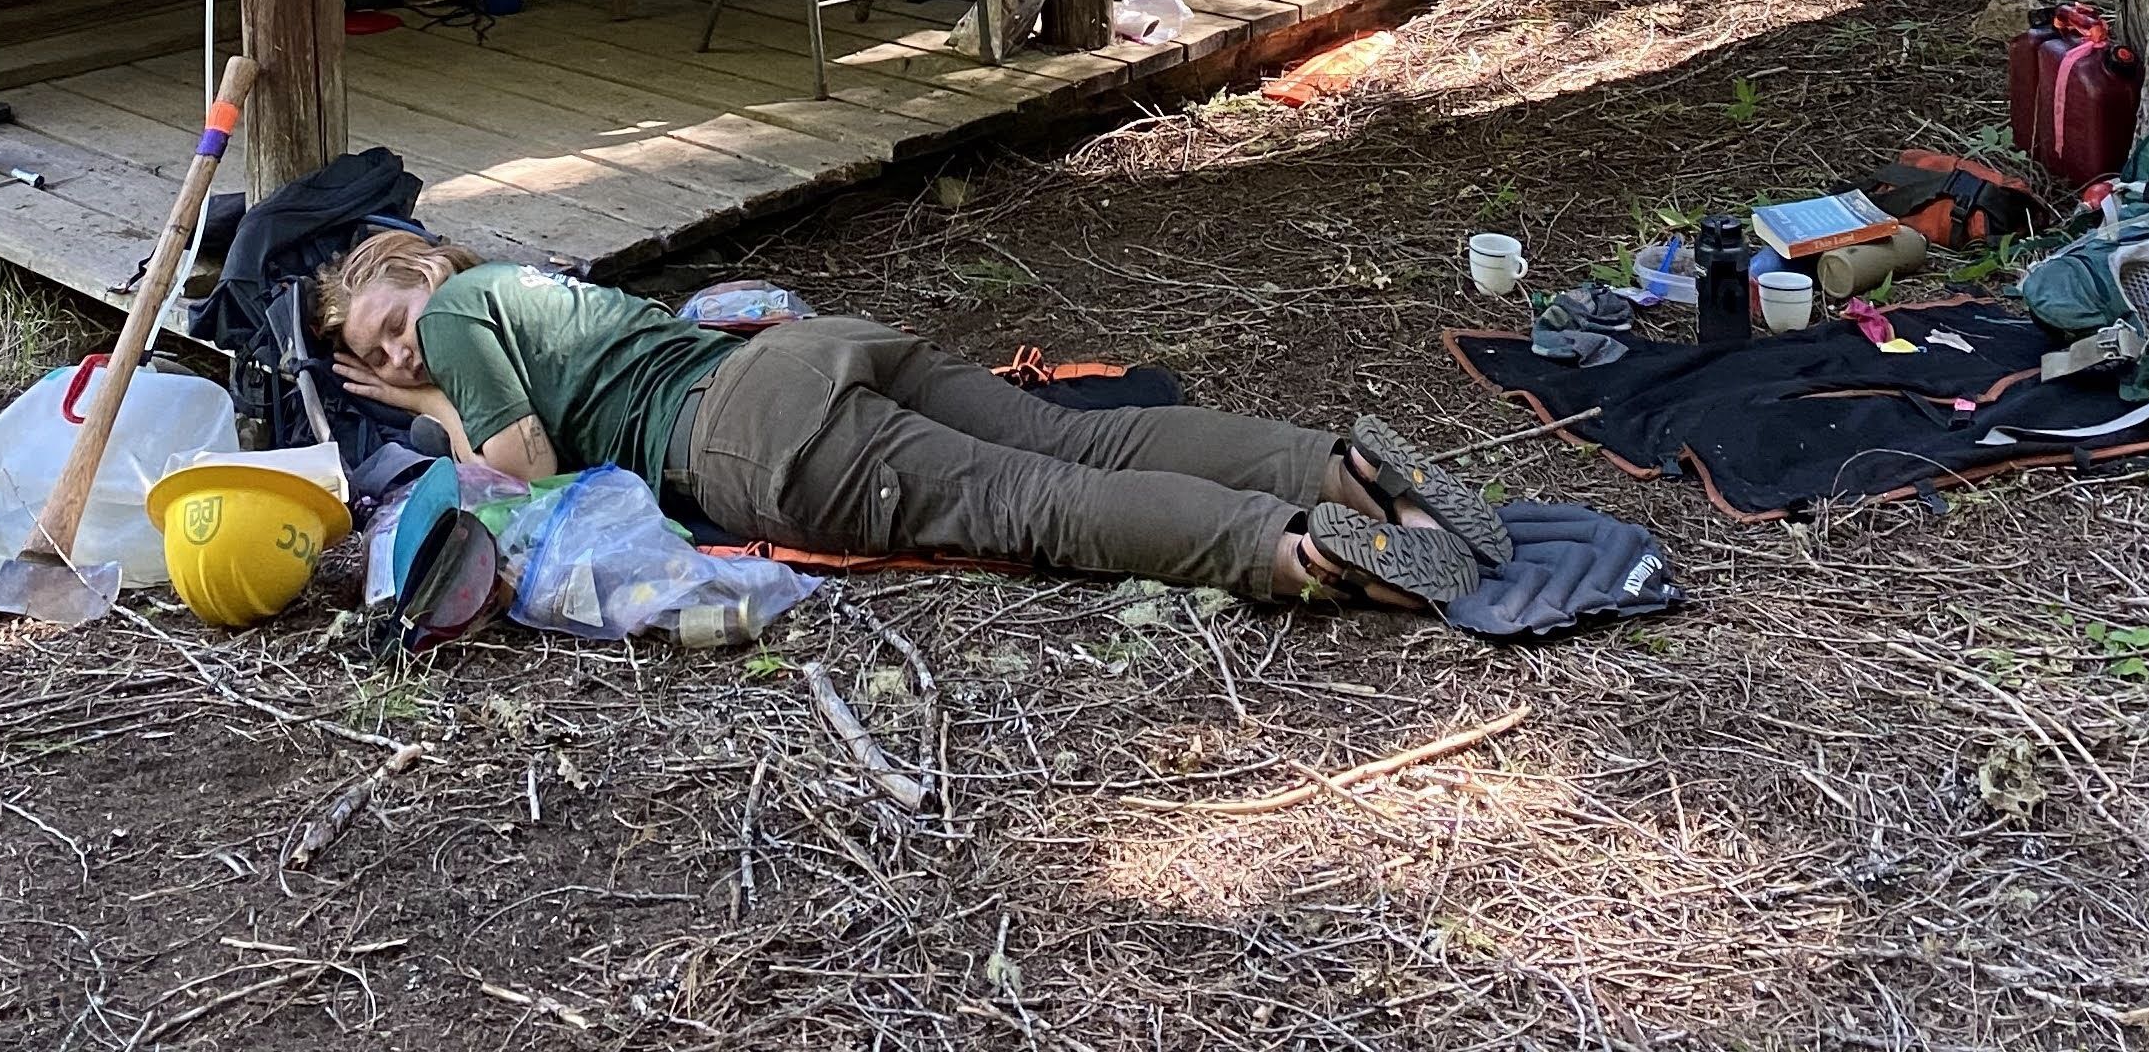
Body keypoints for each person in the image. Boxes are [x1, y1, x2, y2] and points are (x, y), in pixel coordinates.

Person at [310, 233, 1498, 609]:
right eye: (378, 355)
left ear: (421, 267)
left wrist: (427, 404)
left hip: (749, 433)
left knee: (1049, 504)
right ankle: (1347, 468)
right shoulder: (529, 284)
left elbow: (522, 480)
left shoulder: (465, 312)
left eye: (391, 318)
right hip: (808, 349)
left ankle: (1300, 557)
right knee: (1083, 436)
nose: (400, 347)